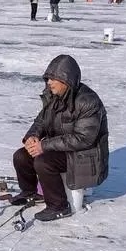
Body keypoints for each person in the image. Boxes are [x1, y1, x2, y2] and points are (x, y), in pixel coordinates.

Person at [11, 55, 109, 221]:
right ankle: (30, 192)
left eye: (53, 79)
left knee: (43, 162)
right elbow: (41, 121)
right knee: (21, 156)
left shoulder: (88, 102)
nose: (49, 82)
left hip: (86, 155)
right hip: (60, 148)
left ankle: (59, 206)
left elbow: (83, 139)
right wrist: (32, 136)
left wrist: (45, 146)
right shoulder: (53, 96)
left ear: (67, 80)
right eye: (48, 78)